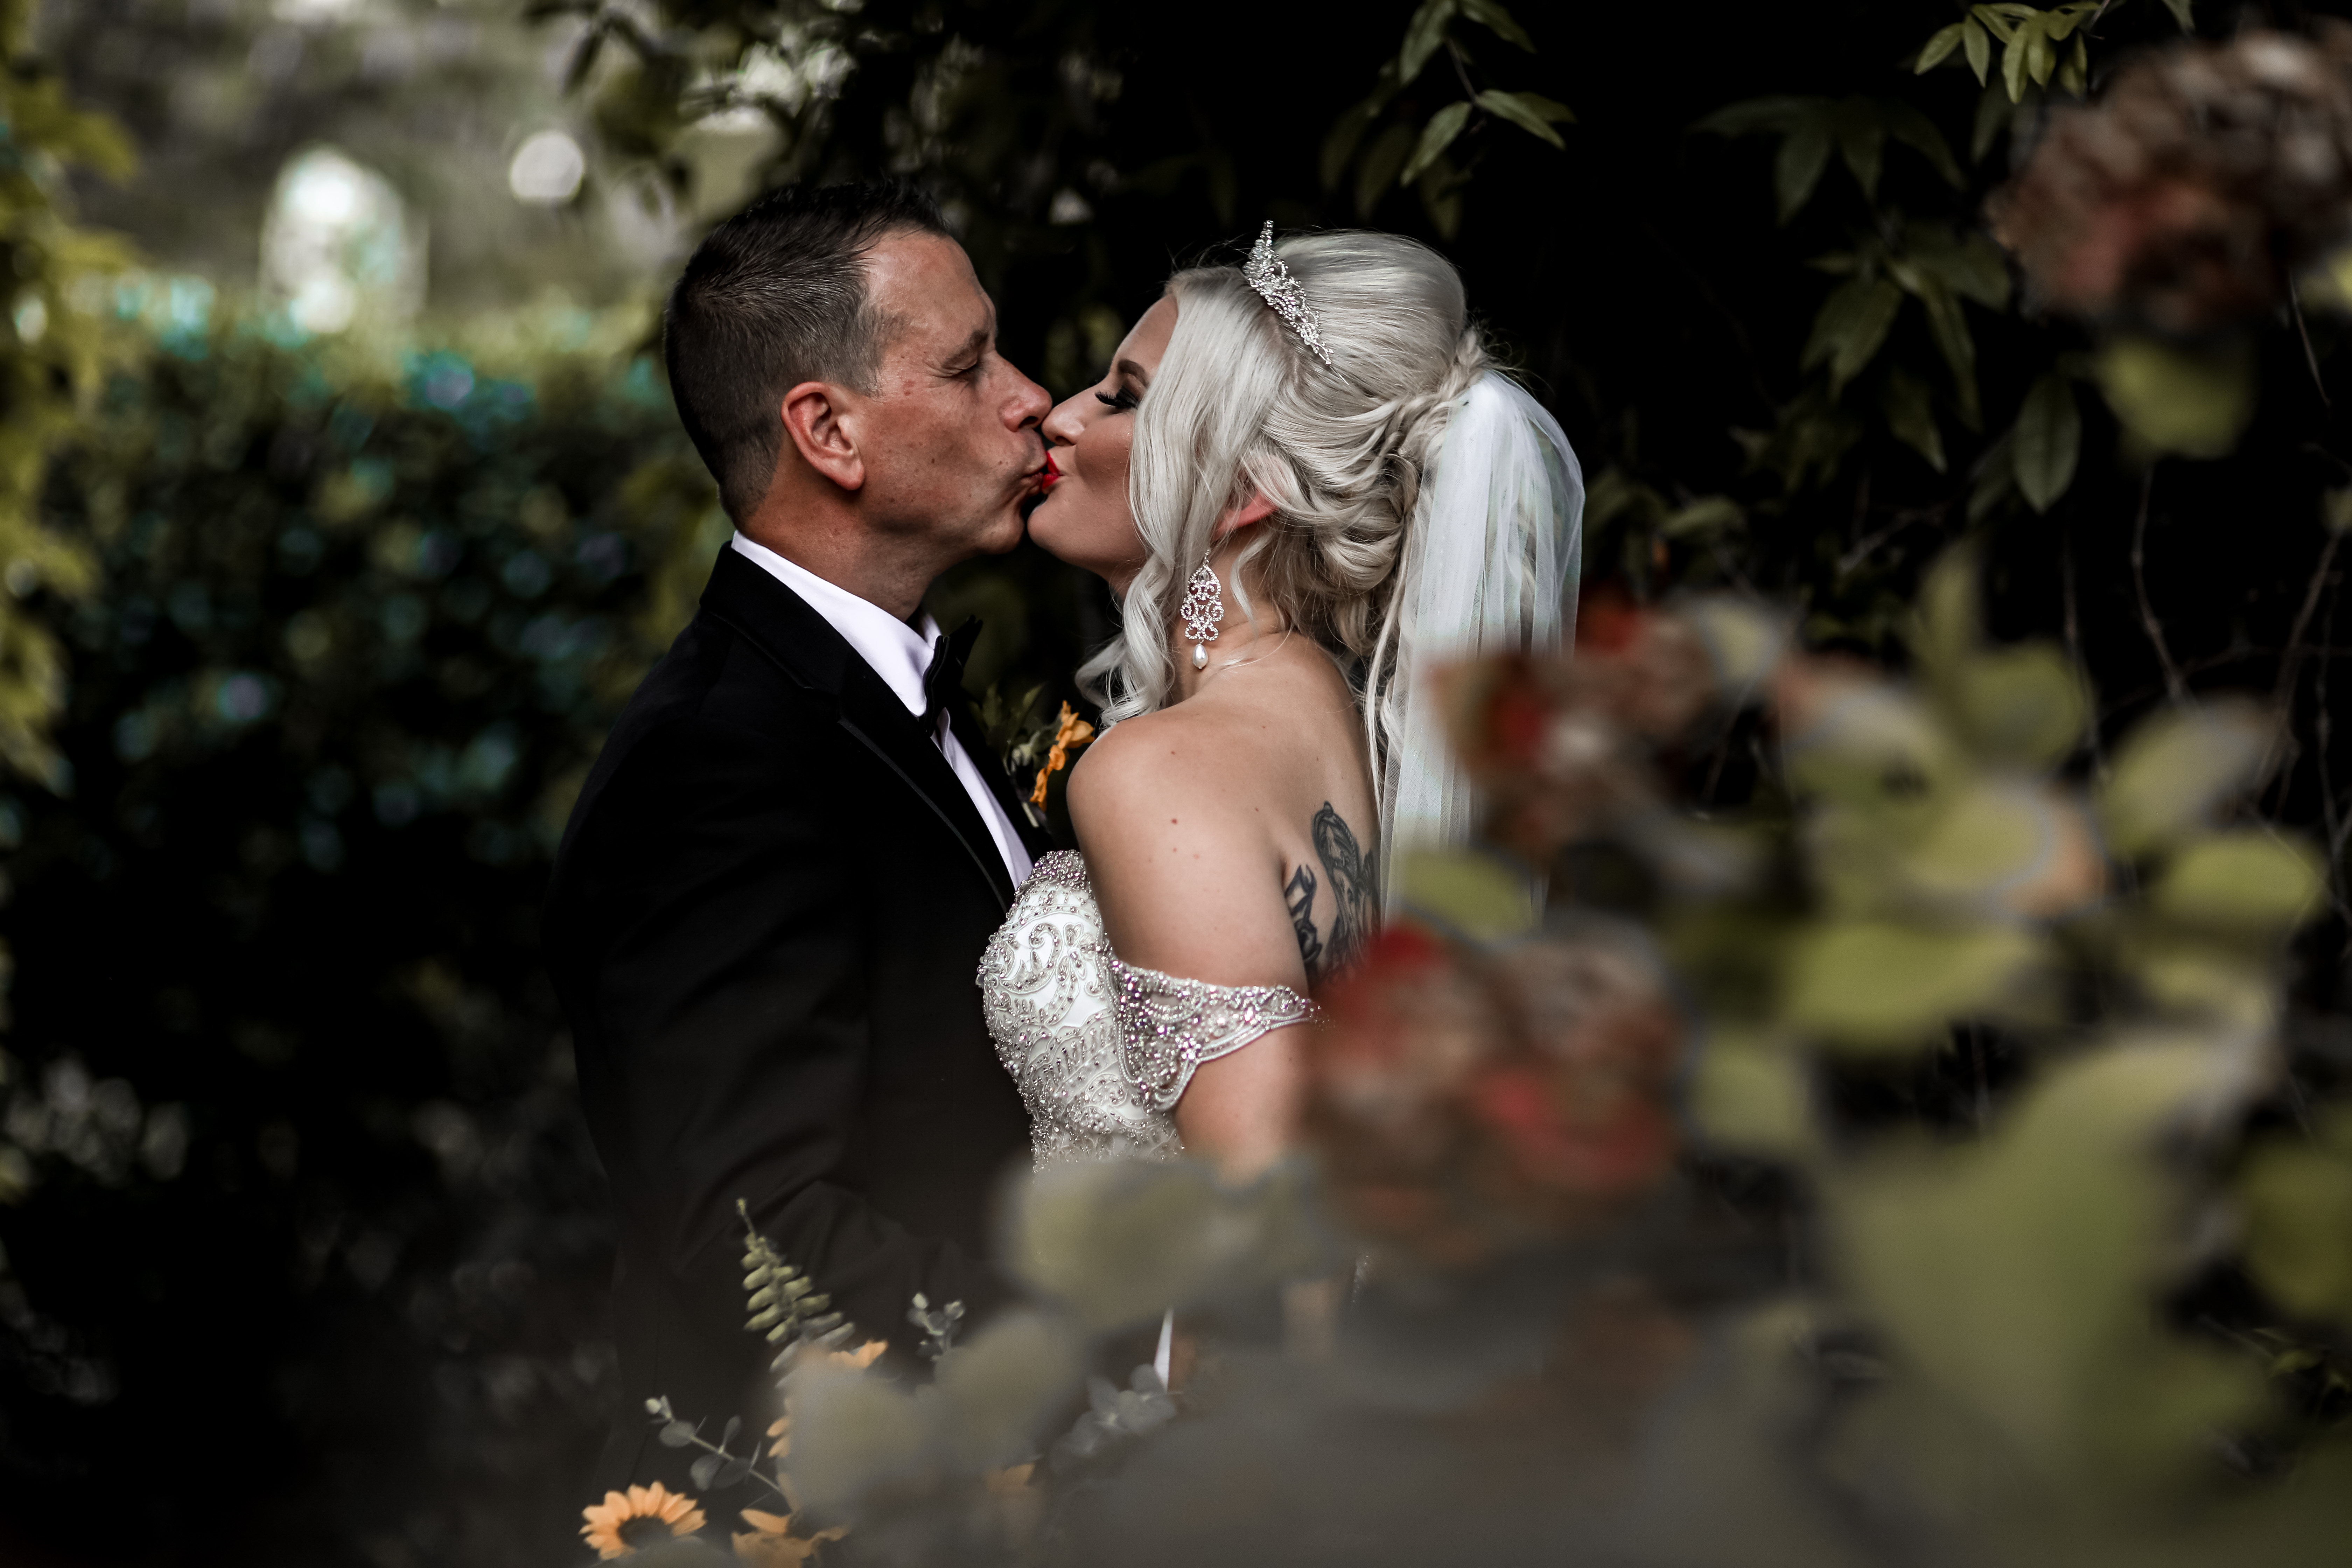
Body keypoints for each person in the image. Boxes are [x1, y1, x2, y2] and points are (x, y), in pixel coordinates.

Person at [544, 180, 1056, 1502]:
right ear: (827, 430)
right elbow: (755, 1232)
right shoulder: (716, 762)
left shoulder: (881, 702)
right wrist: (1106, 1364)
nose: (1031, 400)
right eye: (969, 367)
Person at [980, 225, 1583, 1178]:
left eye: (1123, 397)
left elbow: (1264, 1224)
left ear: (1242, 493)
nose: (1060, 417)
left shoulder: (1161, 771)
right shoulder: (1337, 717)